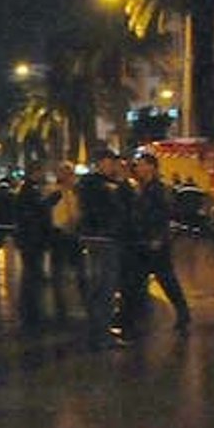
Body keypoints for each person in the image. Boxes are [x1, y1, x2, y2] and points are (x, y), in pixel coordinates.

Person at [131, 152, 192, 334]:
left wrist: (159, 236)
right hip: (145, 239)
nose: (138, 168)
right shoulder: (144, 188)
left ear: (151, 167)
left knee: (165, 278)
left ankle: (182, 312)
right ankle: (137, 318)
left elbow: (164, 214)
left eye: (141, 164)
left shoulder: (157, 189)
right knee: (141, 280)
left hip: (155, 240)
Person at [78, 147, 132, 350]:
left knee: (103, 288)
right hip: (102, 239)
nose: (114, 166)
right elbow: (116, 206)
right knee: (104, 288)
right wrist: (120, 183)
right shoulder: (94, 184)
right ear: (101, 163)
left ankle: (99, 331)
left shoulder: (105, 184)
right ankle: (100, 334)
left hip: (105, 238)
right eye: (111, 162)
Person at [12, 160, 58, 327]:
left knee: (31, 276)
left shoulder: (28, 190)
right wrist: (52, 200)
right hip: (32, 240)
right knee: (32, 277)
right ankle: (31, 314)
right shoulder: (29, 191)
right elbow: (36, 211)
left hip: (30, 239)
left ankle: (31, 312)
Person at [49, 160, 85, 321]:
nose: (68, 177)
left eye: (70, 173)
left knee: (80, 271)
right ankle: (61, 308)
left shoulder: (77, 193)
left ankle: (83, 303)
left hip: (74, 234)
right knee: (59, 272)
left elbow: (81, 210)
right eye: (64, 173)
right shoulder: (53, 192)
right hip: (58, 235)